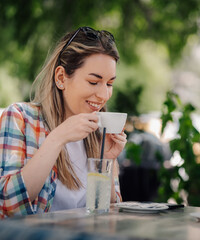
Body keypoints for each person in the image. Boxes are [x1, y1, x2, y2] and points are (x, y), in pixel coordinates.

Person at [0, 27, 127, 218]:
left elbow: (109, 214)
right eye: (94, 82)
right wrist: (58, 137)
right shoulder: (20, 117)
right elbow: (8, 205)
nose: (103, 95)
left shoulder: (99, 134)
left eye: (109, 84)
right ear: (61, 78)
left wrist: (106, 161)